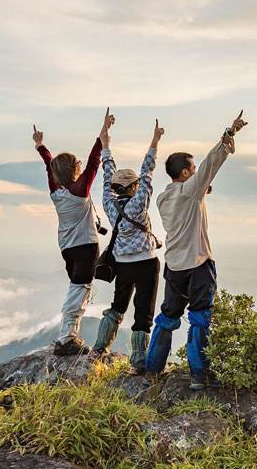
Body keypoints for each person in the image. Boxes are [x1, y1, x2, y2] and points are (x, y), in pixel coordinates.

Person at [145, 110, 248, 390]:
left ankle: (152, 366)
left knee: (168, 316)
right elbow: (210, 165)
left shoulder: (164, 198)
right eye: (191, 169)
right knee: (201, 318)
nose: (195, 172)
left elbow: (195, 187)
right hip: (198, 264)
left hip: (174, 266)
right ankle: (199, 375)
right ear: (185, 173)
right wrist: (229, 134)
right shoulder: (191, 191)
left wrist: (202, 189)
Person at [91, 114, 166, 375]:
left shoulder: (109, 204)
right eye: (136, 184)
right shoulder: (138, 203)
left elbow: (107, 173)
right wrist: (155, 141)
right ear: (133, 187)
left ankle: (99, 348)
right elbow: (148, 172)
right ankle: (138, 362)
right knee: (143, 313)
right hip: (146, 262)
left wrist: (106, 142)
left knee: (118, 305)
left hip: (122, 265)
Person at [33, 109, 111, 356]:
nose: (80, 165)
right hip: (86, 246)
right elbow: (93, 162)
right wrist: (103, 134)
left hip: (67, 248)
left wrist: (40, 146)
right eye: (76, 164)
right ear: (74, 169)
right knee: (80, 289)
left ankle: (69, 337)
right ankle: (66, 339)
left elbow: (49, 166)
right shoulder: (79, 192)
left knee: (79, 287)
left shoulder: (56, 192)